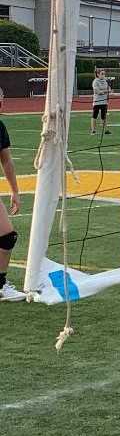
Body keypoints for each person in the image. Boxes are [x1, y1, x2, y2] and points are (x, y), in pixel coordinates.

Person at [0, 89, 23, 301]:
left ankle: (0, 285)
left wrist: (14, 191)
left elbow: (6, 160)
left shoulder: (0, 127)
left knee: (7, 237)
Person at [90, 68, 111, 135]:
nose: (103, 75)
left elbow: (109, 89)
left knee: (104, 116)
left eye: (104, 74)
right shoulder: (95, 81)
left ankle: (105, 130)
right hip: (97, 102)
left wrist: (105, 91)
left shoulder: (105, 81)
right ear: (98, 74)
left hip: (104, 102)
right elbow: (98, 92)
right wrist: (105, 91)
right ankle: (93, 130)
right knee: (94, 116)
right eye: (102, 74)